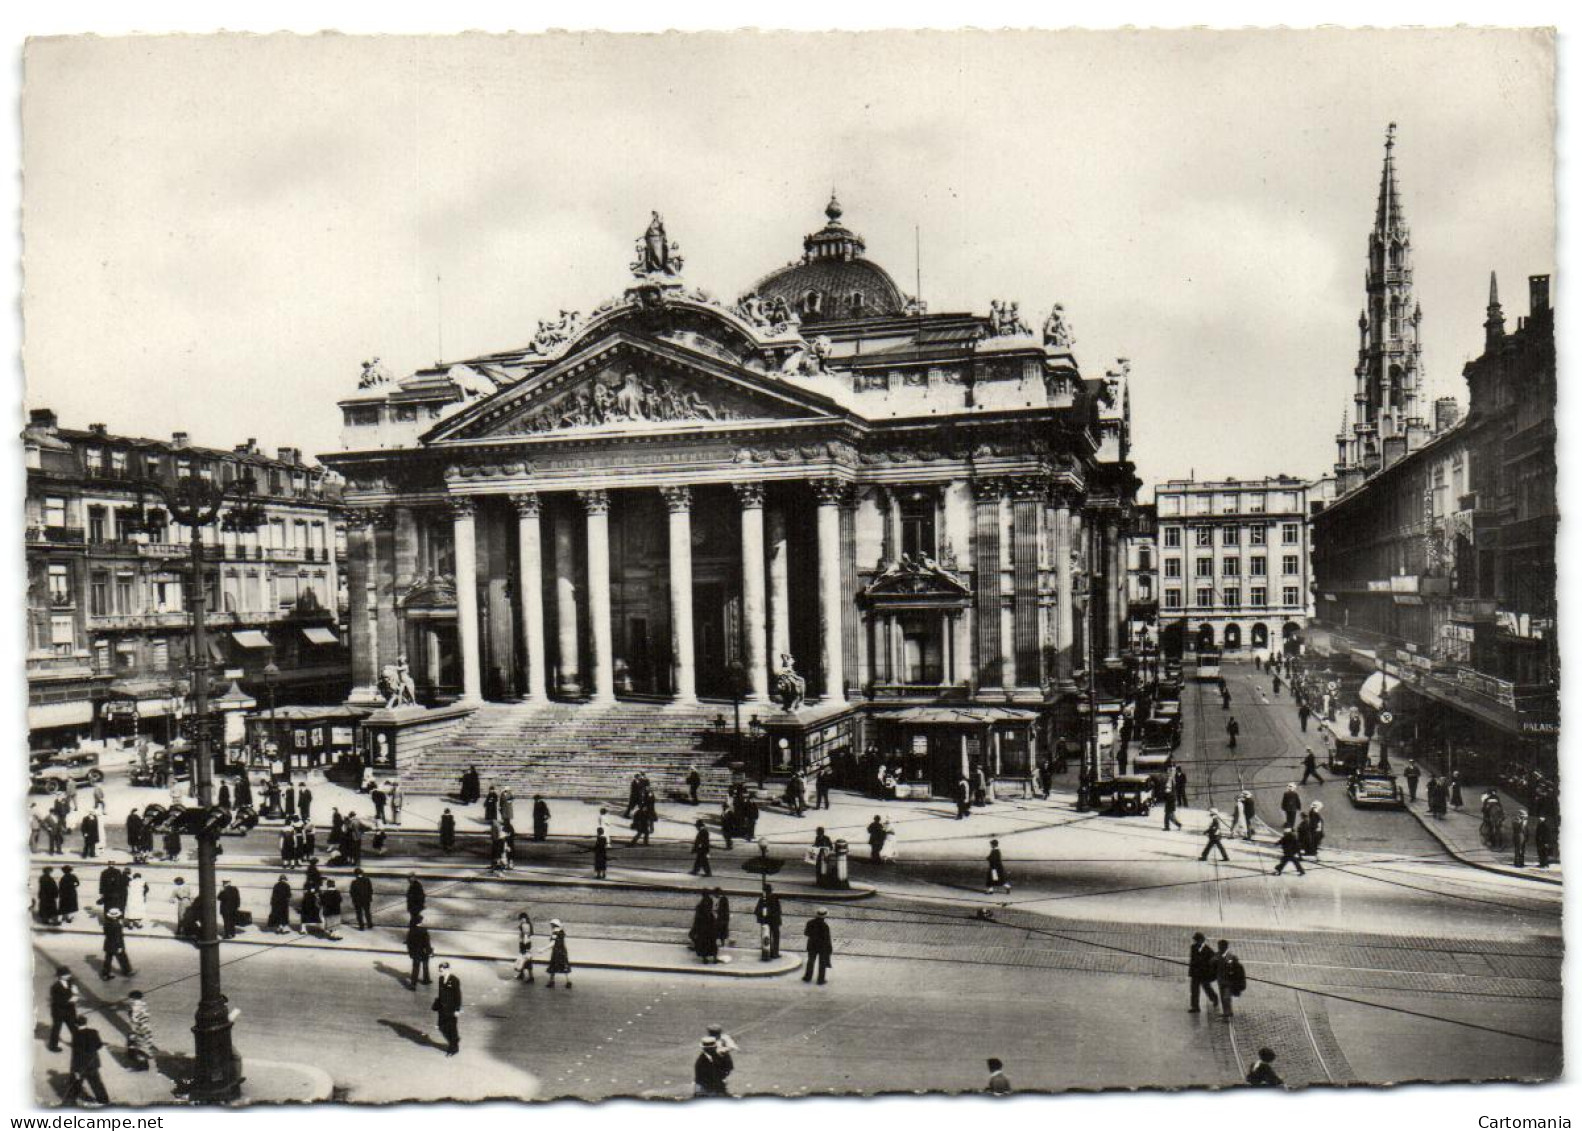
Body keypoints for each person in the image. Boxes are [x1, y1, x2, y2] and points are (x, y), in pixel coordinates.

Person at [63, 1023, 110, 1105]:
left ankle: (70, 1101)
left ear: (77, 1025)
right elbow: (98, 1045)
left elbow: (76, 1053)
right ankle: (103, 1100)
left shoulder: (76, 1034)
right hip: (93, 1063)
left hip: (81, 1065)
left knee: (76, 1083)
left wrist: (74, 1068)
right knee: (96, 1082)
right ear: (86, 1023)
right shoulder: (93, 1032)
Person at [46, 968, 79, 1052]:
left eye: (69, 974)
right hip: (59, 1011)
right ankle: (53, 1046)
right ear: (60, 976)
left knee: (73, 1027)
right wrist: (71, 1000)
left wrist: (75, 993)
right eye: (66, 974)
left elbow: (74, 992)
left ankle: (78, 1043)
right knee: (56, 1029)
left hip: (69, 1010)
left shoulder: (70, 983)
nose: (69, 975)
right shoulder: (55, 987)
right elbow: (57, 1000)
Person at [433, 962, 463, 1056]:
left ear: (447, 969)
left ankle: (453, 1048)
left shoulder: (454, 980)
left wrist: (457, 1009)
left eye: (441, 970)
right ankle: (455, 1040)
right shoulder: (441, 979)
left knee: (452, 1028)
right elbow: (440, 993)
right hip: (442, 1007)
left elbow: (458, 996)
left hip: (451, 1008)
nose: (440, 972)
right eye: (439, 970)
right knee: (442, 1027)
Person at [1188, 932, 1219, 1013]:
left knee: (1206, 988)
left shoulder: (1208, 950)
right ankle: (1195, 1007)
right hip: (1195, 973)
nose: (1196, 942)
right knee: (1194, 990)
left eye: (1198, 940)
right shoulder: (1193, 947)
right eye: (1195, 940)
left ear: (1202, 940)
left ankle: (1214, 998)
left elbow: (1213, 961)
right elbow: (1192, 960)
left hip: (1204, 973)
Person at [125, 991, 156, 1071]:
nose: (129, 1000)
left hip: (138, 1030)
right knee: (142, 1048)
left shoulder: (135, 1006)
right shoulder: (143, 1004)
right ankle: (144, 1066)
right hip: (145, 1028)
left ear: (133, 998)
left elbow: (134, 1019)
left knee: (136, 1048)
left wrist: (129, 1012)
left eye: (130, 998)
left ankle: (140, 1067)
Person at [100, 907, 134, 980]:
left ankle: (105, 974)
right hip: (116, 945)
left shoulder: (107, 923)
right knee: (122, 957)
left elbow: (105, 933)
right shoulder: (117, 925)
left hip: (108, 944)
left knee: (108, 959)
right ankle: (127, 971)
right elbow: (118, 937)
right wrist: (119, 947)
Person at [802, 908, 833, 985]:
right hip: (822, 947)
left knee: (810, 961)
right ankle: (820, 980)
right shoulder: (825, 926)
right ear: (825, 916)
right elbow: (827, 939)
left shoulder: (810, 923)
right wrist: (829, 949)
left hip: (812, 945)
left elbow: (806, 933)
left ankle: (807, 977)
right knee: (822, 963)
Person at [1214, 939, 1244, 1018]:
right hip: (1220, 980)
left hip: (1228, 981)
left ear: (1225, 947)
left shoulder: (1230, 956)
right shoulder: (1217, 955)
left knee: (1226, 997)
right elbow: (1212, 963)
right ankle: (1227, 1011)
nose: (1220, 948)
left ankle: (1227, 1012)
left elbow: (1232, 968)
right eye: (1219, 946)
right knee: (1223, 996)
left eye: (1221, 947)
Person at [755, 884, 782, 960]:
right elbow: (779, 911)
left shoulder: (762, 900)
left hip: (766, 922)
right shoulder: (774, 898)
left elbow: (757, 911)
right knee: (775, 937)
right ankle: (775, 953)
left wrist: (763, 917)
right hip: (774, 922)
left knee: (766, 938)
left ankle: (767, 952)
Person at [406, 914, 434, 988]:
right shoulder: (424, 930)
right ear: (420, 921)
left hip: (415, 952)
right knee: (425, 966)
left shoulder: (411, 931)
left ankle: (413, 984)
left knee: (415, 968)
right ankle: (426, 979)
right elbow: (427, 943)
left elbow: (409, 943)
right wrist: (430, 951)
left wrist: (410, 952)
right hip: (424, 952)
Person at [690, 894, 720, 963]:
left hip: (704, 929)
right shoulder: (710, 914)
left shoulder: (701, 909)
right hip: (709, 929)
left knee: (704, 944)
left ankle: (705, 959)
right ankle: (714, 958)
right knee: (712, 944)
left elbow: (697, 921)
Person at [546, 919, 572, 988]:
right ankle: (568, 981)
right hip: (563, 950)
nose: (550, 926)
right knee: (564, 966)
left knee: (553, 965)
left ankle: (552, 981)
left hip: (556, 951)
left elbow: (552, 943)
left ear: (553, 925)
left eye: (551, 924)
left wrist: (543, 949)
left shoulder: (555, 932)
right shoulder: (562, 931)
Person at [513, 911, 536, 983]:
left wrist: (526, 947)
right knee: (523, 960)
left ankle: (531, 977)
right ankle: (522, 974)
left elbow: (526, 936)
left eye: (521, 919)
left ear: (524, 918)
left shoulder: (525, 925)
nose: (521, 920)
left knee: (526, 960)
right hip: (525, 944)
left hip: (525, 944)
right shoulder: (526, 924)